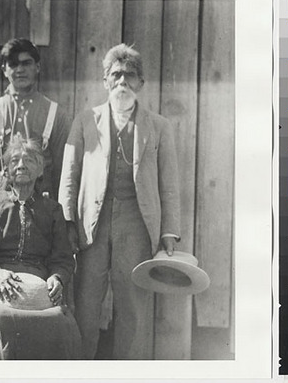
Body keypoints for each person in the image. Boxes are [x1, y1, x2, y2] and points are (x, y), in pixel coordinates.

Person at [58, 44, 181, 360]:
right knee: (86, 303)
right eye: (116, 75)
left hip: (137, 225)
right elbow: (69, 176)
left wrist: (169, 232)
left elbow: (169, 184)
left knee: (133, 307)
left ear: (141, 82)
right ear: (105, 82)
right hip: (92, 226)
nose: (122, 82)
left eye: (129, 75)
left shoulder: (159, 126)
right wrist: (69, 222)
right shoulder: (87, 120)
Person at [0, 136, 81, 360]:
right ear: (7, 171)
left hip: (39, 283)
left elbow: (63, 258)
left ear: (40, 170)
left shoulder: (52, 210)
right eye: (14, 161)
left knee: (61, 322)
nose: (20, 165)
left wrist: (57, 278)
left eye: (28, 160)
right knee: (2, 317)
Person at [0, 38, 70, 200]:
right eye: (13, 64)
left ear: (37, 67)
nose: (20, 70)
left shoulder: (56, 114)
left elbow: (64, 171)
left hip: (41, 206)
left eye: (26, 63)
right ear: (4, 70)